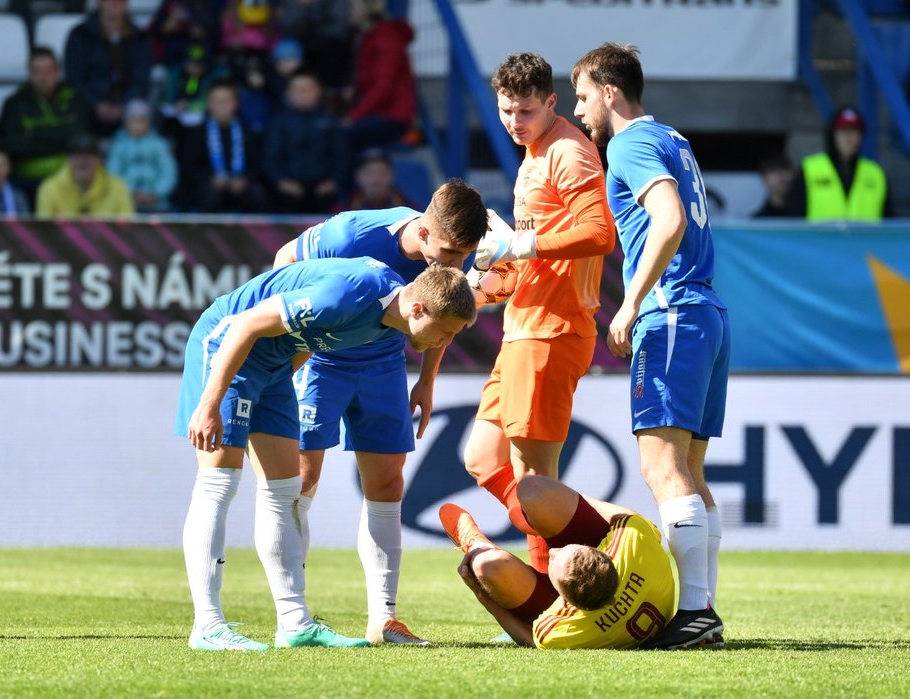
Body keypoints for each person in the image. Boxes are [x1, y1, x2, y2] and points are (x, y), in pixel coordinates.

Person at [176, 260, 476, 651]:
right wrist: (212, 400)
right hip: (227, 347)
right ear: (417, 310)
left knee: (284, 491)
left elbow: (306, 340)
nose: (444, 342)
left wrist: (277, 380)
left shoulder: (384, 318)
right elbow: (245, 324)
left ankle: (294, 625)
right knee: (219, 482)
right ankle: (207, 625)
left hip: (272, 366)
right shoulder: (347, 297)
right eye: (445, 331)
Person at [270, 179, 487, 645]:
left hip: (384, 364)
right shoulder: (353, 235)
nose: (456, 265)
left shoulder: (445, 258)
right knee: (302, 479)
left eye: (465, 256)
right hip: (323, 359)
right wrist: (296, 345)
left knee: (388, 483)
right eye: (450, 253)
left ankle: (383, 620)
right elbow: (285, 260)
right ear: (425, 232)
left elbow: (441, 313)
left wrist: (427, 379)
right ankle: (294, 618)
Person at [571, 42, 730, 650]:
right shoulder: (673, 138)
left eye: (583, 95)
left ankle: (694, 614)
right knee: (688, 469)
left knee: (661, 466)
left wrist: (632, 301)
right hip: (706, 312)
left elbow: (669, 221)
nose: (581, 110)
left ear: (610, 91)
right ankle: (703, 609)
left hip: (669, 313)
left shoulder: (631, 143)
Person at [461, 52, 616, 577]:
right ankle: (591, 546)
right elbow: (533, 255)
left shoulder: (568, 152)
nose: (513, 122)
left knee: (534, 480)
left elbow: (600, 234)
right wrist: (491, 282)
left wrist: (521, 245)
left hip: (552, 331)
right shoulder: (532, 154)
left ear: (551, 102)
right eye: (506, 111)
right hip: (524, 327)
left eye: (525, 111)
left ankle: (565, 588)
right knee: (483, 458)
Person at [439, 474, 677, 649]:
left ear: (565, 601)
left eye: (552, 563)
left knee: (487, 566)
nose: (551, 553)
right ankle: (514, 498)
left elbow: (530, 639)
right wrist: (547, 508)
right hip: (633, 592)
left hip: (593, 618)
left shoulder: (567, 630)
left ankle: (476, 547)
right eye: (563, 551)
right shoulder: (635, 542)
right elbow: (618, 515)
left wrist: (481, 594)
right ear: (602, 553)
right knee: (534, 491)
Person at [0, 48, 93, 202]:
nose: (43, 77)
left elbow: (79, 138)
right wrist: (60, 137)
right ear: (29, 73)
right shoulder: (14, 103)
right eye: (37, 71)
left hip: (69, 178)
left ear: (57, 72)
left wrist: (34, 133)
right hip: (27, 180)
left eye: (48, 71)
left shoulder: (74, 99)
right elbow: (13, 145)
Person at [174, 79, 270, 212]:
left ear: (236, 104)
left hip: (241, 184)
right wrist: (210, 178)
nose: (222, 105)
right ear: (208, 104)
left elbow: (258, 163)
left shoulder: (249, 133)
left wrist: (244, 179)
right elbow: (189, 167)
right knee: (206, 195)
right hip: (208, 186)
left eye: (226, 101)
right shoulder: (195, 134)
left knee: (257, 194)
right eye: (217, 101)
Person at [263, 69, 347, 213]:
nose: (303, 94)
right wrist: (281, 181)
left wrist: (333, 181)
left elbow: (341, 155)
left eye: (307, 89)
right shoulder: (278, 122)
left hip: (323, 188)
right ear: (288, 93)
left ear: (318, 92)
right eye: (297, 89)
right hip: (287, 189)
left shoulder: (331, 122)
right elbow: (270, 156)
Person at [788, 106, 892, 222]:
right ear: (832, 135)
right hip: (821, 240)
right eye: (843, 131)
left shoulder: (876, 173)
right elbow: (795, 220)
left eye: (854, 131)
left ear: (861, 136)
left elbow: (889, 223)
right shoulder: (809, 170)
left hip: (865, 240)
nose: (848, 137)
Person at [64, 0, 153, 135]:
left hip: (127, 106)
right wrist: (96, 104)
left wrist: (124, 105)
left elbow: (141, 79)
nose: (115, 2)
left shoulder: (139, 38)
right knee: (73, 108)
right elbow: (74, 79)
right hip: (89, 107)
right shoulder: (80, 35)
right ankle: (83, 151)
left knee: (143, 110)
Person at [343, 0, 417, 158]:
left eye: (352, 8)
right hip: (379, 111)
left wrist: (354, 116)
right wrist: (354, 88)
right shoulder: (368, 36)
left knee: (341, 137)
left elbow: (383, 88)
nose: (348, 12)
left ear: (364, 11)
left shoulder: (384, 39)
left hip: (392, 115)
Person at [106, 99, 179, 213]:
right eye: (133, 121)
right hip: (126, 201)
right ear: (125, 123)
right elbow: (113, 173)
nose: (137, 125)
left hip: (157, 202)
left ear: (149, 123)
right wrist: (129, 193)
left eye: (141, 121)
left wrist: (157, 193)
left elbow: (168, 172)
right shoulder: (118, 145)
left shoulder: (159, 144)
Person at [35, 134, 135, 217]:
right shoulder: (49, 188)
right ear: (67, 159)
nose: (83, 160)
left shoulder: (118, 187)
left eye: (89, 155)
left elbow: (127, 228)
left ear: (99, 159)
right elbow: (45, 231)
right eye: (77, 155)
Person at [333, 148, 417, 213]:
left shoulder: (408, 211)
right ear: (357, 177)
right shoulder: (343, 211)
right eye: (368, 173)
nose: (375, 179)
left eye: (381, 173)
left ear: (392, 175)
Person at [752, 153, 795, 218]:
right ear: (764, 180)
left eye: (785, 169)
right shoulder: (757, 221)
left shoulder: (805, 216)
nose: (780, 175)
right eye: (772, 171)